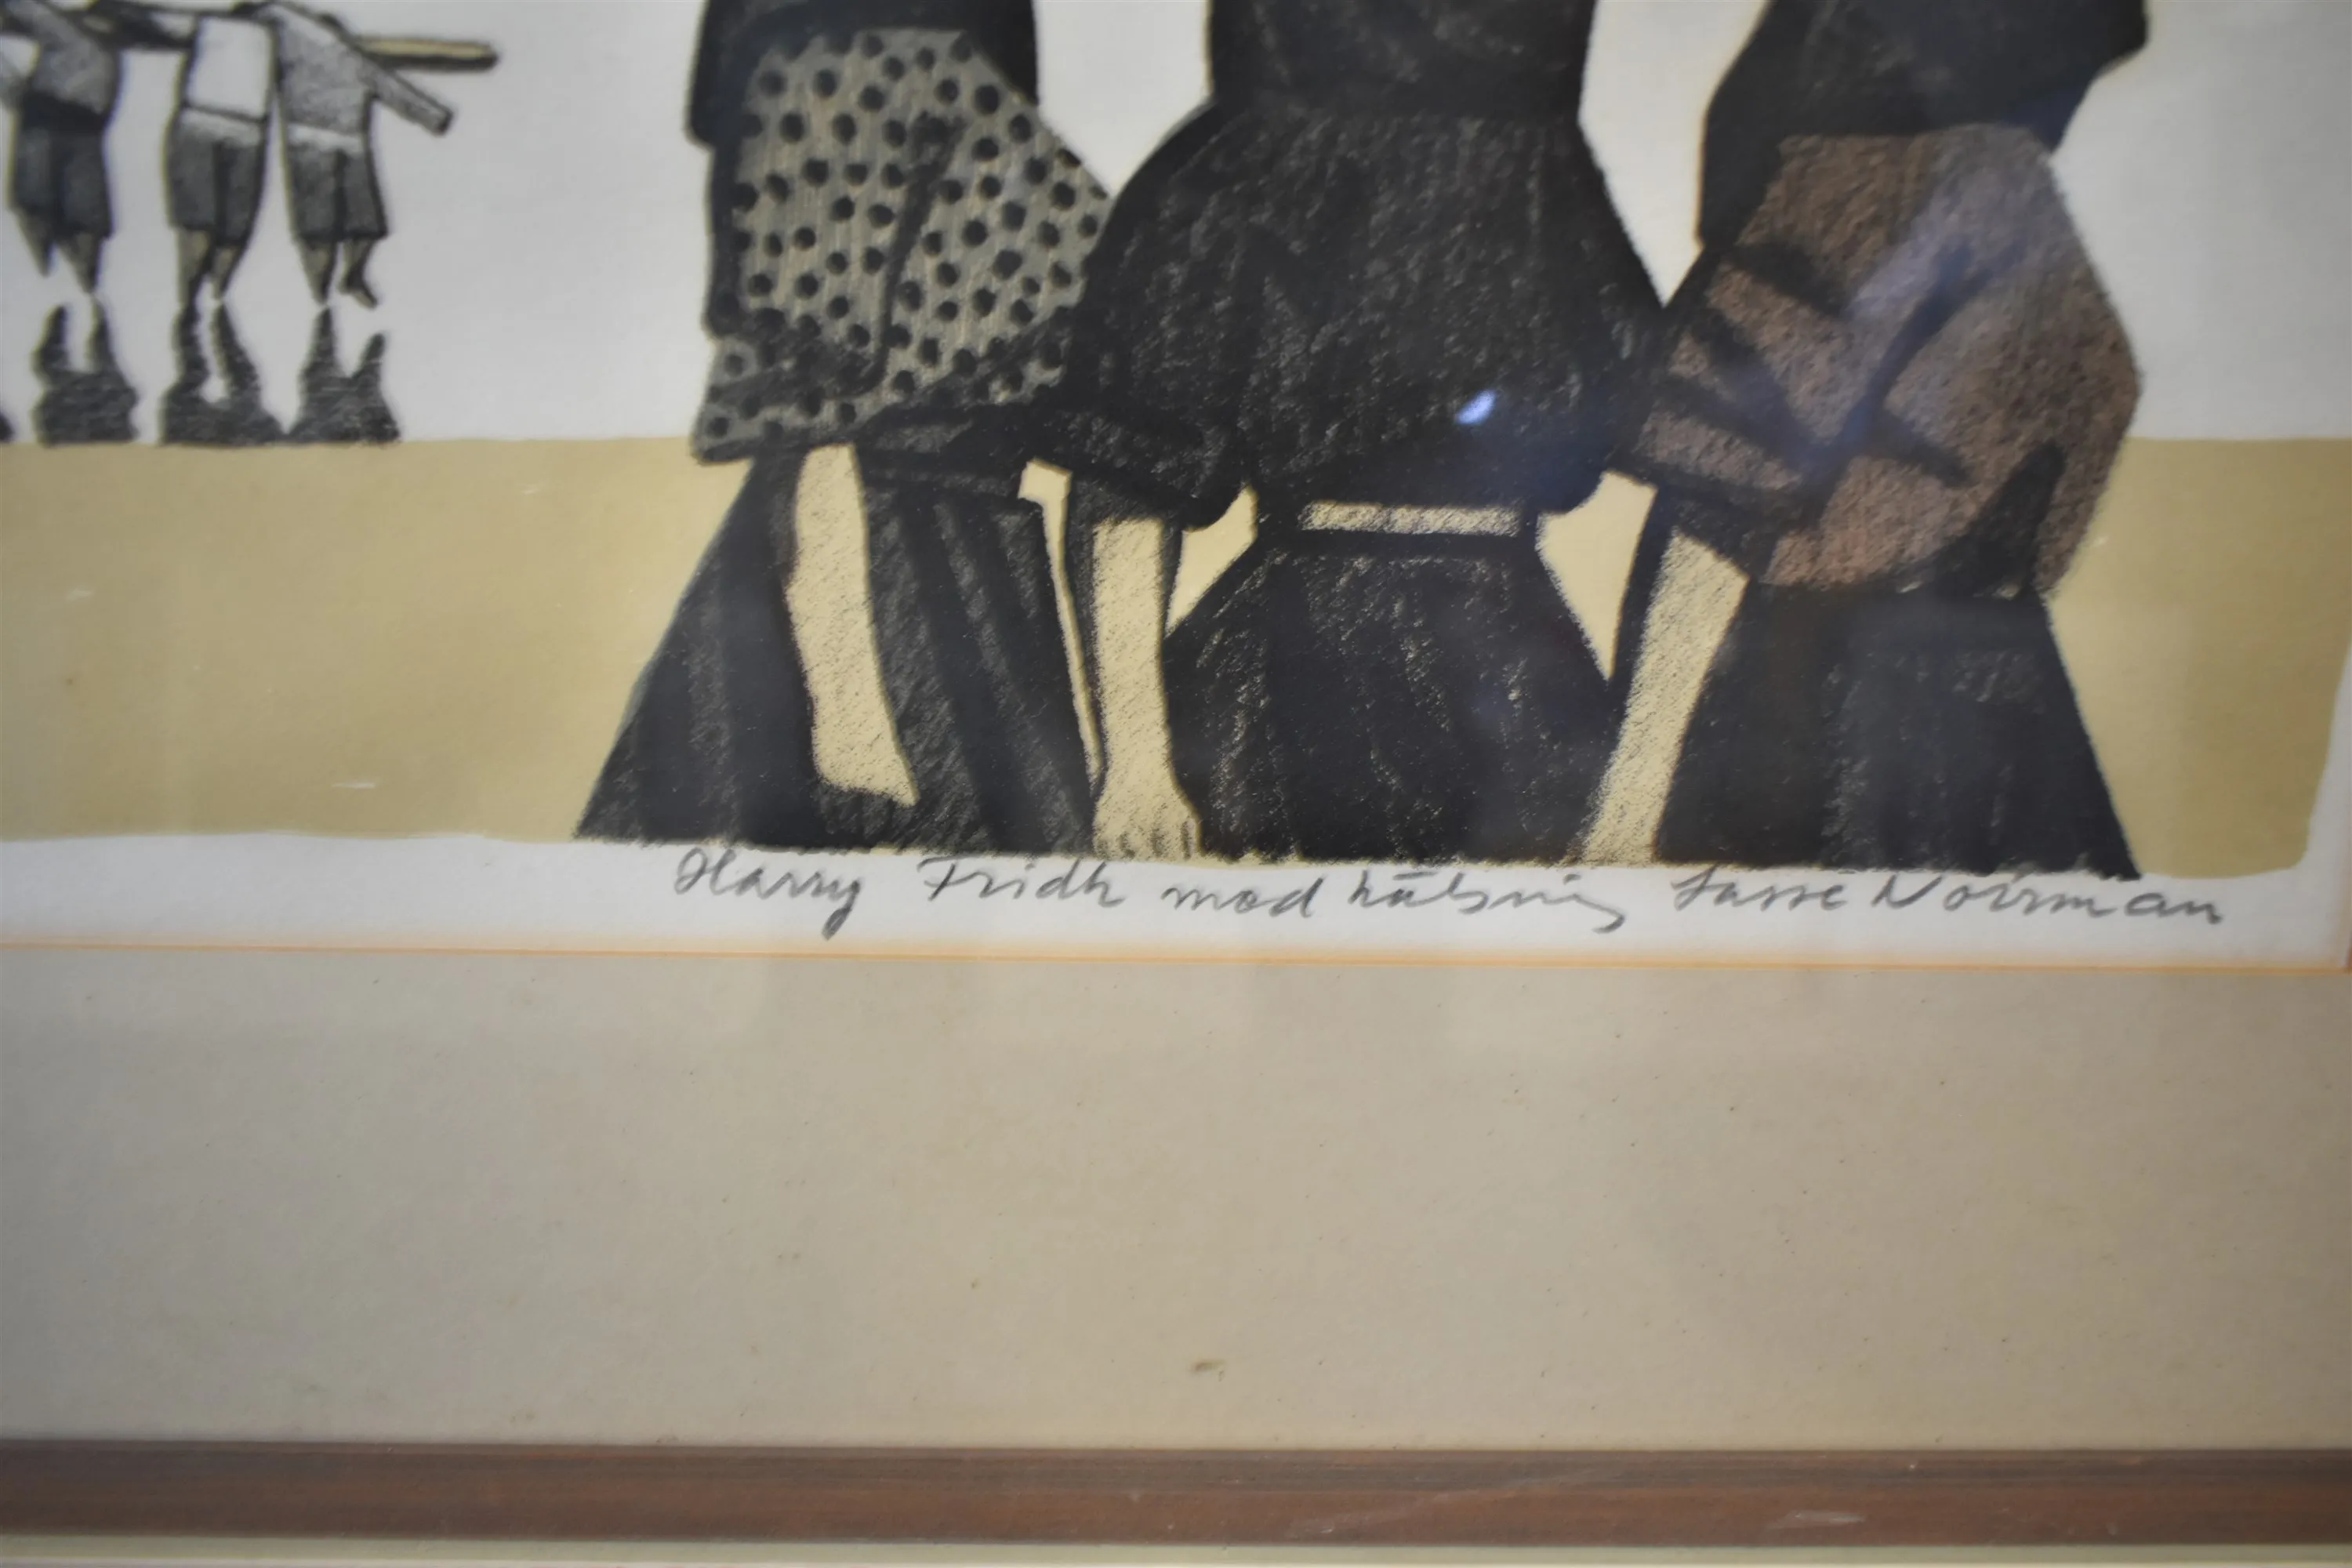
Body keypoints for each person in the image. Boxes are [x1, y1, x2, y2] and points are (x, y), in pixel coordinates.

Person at [1040, 0, 1658, 864]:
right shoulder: (1237, 172)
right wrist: (1138, 762)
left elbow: (1646, 439)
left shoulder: (1539, 162)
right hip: (1285, 673)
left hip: (1511, 675)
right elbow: (1125, 490)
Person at [1592, 0, 2149, 876]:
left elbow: (1715, 520)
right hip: (1999, 717)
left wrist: (1623, 807)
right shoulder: (2021, 199)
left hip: (1825, 714)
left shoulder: (1866, 179)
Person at [581, 0, 1110, 854]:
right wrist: (851, 707)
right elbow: (815, 427)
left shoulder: (952, 79)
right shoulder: (832, 75)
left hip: (960, 559)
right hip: (880, 578)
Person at [2, 0, 120, 291]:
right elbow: (28, 9)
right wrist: (15, 92)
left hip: (78, 130)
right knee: (40, 207)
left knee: (79, 217)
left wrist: (15, 93)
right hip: (50, 124)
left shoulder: (105, 51)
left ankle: (75, 286)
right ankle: (54, 282)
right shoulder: (71, 32)